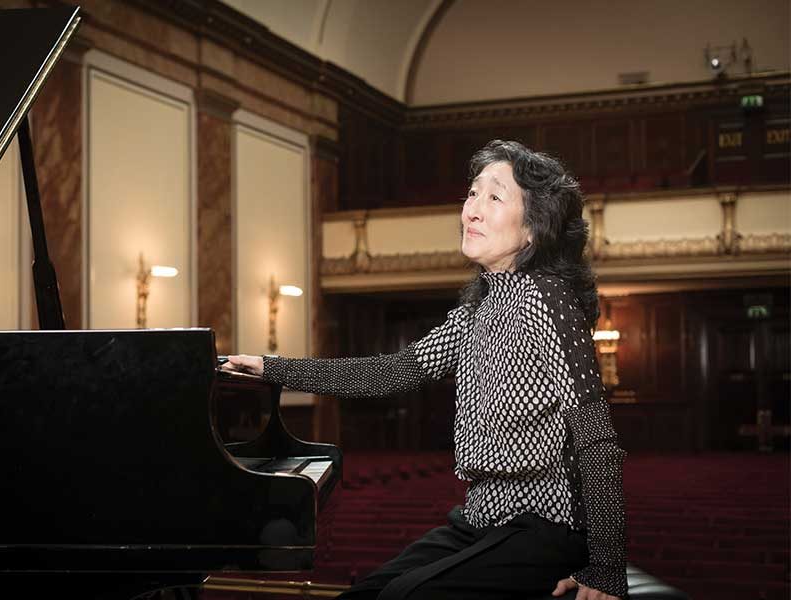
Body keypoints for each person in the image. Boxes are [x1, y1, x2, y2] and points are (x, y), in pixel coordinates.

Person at [223, 140, 628, 600]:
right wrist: (272, 368)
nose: (471, 210)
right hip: (479, 518)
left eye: (494, 197)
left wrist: (608, 568)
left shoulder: (550, 299)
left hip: (544, 523)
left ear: (535, 227)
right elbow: (389, 373)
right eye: (472, 194)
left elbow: (596, 437)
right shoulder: (478, 310)